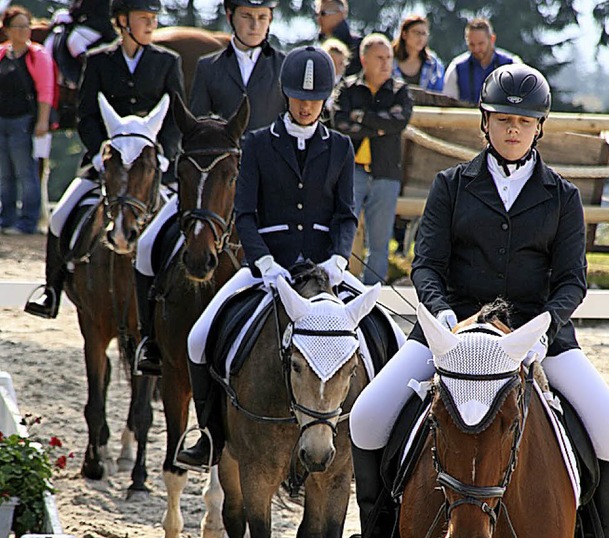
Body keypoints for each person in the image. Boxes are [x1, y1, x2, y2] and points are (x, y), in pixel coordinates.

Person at [330, 63, 609, 538]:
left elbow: (571, 280)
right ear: (485, 122)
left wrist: (544, 326)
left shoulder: (561, 196)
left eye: (524, 120)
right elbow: (426, 266)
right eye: (503, 119)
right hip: (454, 333)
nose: (513, 129)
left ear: (538, 127)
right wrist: (443, 315)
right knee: (369, 415)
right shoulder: (452, 185)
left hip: (536, 336)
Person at [175, 46, 361, 469]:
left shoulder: (341, 148)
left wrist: (339, 259)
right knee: (197, 337)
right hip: (267, 268)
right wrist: (262, 262)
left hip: (325, 270)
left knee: (381, 334)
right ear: (285, 96)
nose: (307, 106)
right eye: (299, 98)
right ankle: (208, 435)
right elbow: (244, 213)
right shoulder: (257, 144)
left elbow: (346, 214)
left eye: (315, 99)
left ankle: (373, 444)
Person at [133, 0, 286, 375]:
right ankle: (151, 341)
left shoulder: (284, 66)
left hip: (265, 186)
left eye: (262, 18)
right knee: (148, 243)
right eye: (248, 17)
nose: (255, 25)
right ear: (232, 17)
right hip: (212, 182)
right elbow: (198, 124)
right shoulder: (209, 67)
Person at [24, 0, 185, 321]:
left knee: (184, 224)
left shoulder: (168, 62)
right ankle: (51, 291)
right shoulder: (98, 61)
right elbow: (86, 117)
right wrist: (100, 153)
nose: (152, 25)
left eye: (154, 19)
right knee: (59, 218)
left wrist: (165, 155)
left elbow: (176, 119)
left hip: (152, 167)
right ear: (123, 21)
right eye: (145, 18)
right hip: (105, 162)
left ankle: (182, 291)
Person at [331, 33, 413, 285]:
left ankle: (372, 297)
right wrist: (379, 125)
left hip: (386, 173)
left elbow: (399, 122)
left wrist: (361, 118)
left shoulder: (400, 91)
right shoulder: (347, 87)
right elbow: (340, 123)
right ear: (364, 60)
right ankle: (337, 286)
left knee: (379, 242)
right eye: (379, 57)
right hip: (351, 171)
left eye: (389, 57)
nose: (386, 63)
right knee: (342, 232)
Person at [0, 5, 54, 235]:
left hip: (24, 121)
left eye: (26, 26)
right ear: (8, 30)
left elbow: (45, 90)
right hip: (2, 119)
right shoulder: (2, 53)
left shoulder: (38, 55)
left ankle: (28, 221)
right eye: (18, 26)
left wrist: (43, 121)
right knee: (4, 174)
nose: (24, 31)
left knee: (26, 172)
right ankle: (7, 218)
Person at [442, 17, 520, 104]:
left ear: (492, 39)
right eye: (471, 44)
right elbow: (447, 104)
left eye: (481, 43)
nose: (476, 49)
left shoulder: (512, 65)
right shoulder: (456, 68)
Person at [392, 14, 444, 93]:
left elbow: (439, 93)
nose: (421, 38)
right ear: (404, 34)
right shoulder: (389, 60)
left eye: (424, 34)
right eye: (417, 33)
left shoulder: (433, 65)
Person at [315, 0, 361, 77]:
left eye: (323, 13)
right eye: (317, 14)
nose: (319, 19)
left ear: (340, 14)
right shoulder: (318, 48)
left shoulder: (358, 48)